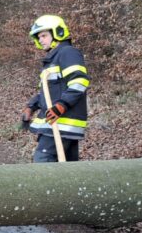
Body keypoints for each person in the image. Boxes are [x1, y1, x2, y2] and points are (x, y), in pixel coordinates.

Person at [21, 15, 91, 162]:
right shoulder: (52, 60)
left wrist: (61, 106)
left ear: (58, 33)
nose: (40, 40)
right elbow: (47, 92)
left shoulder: (67, 53)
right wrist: (31, 106)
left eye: (44, 35)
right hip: (58, 123)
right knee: (67, 172)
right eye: (39, 37)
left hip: (62, 121)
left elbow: (79, 81)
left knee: (43, 164)